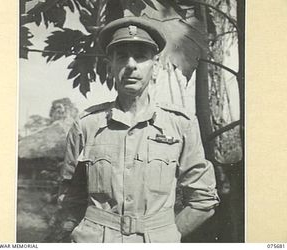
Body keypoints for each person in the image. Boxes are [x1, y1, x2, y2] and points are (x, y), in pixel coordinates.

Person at [57, 16, 220, 243]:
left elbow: (204, 200)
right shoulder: (87, 125)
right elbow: (69, 198)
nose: (131, 65)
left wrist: (166, 236)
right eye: (122, 57)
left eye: (141, 56)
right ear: (110, 66)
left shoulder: (180, 124)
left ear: (154, 66)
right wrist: (73, 234)